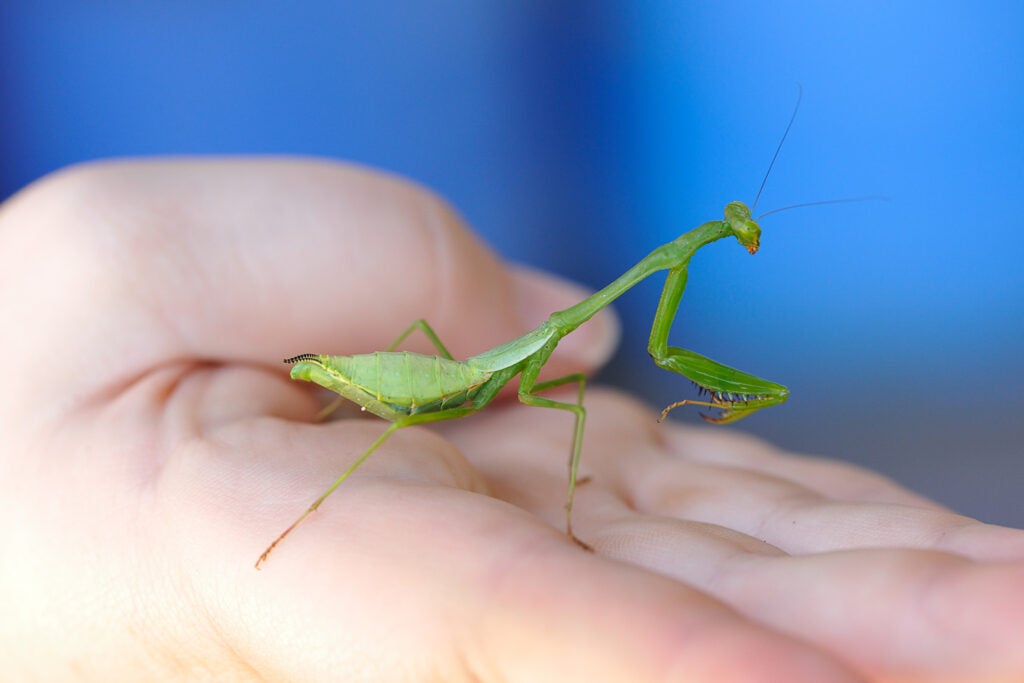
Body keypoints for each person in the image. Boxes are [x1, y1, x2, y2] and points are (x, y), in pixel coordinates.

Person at [2, 158, 1021, 682]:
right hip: (435, 379)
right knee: (439, 411)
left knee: (551, 391)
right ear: (707, 238)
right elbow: (647, 356)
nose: (739, 239)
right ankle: (307, 499)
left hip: (473, 373)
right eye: (732, 233)